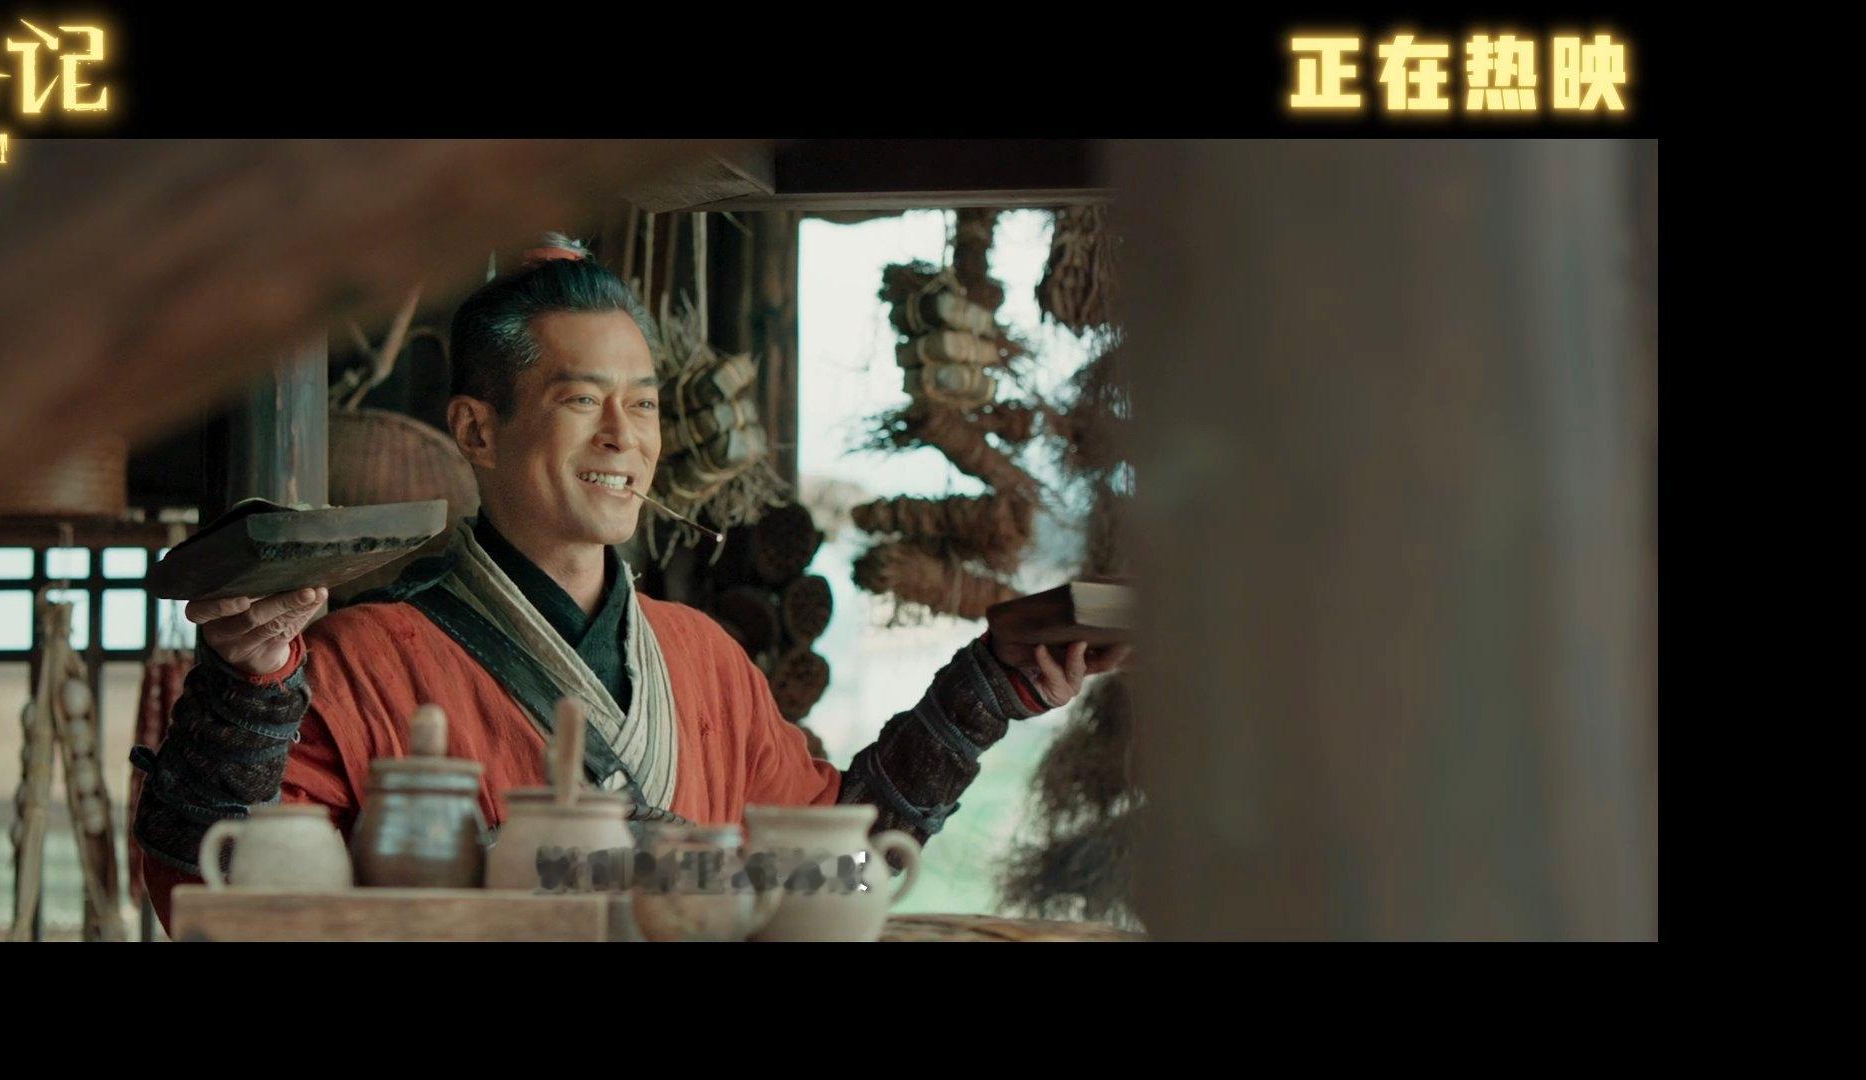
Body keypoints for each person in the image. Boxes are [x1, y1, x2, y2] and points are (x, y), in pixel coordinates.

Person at [132, 234, 1127, 923]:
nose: (625, 438)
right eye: (582, 400)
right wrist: (247, 692)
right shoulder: (357, 663)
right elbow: (215, 900)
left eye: (643, 405)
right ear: (476, 429)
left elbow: (830, 867)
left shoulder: (703, 658)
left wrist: (988, 686)